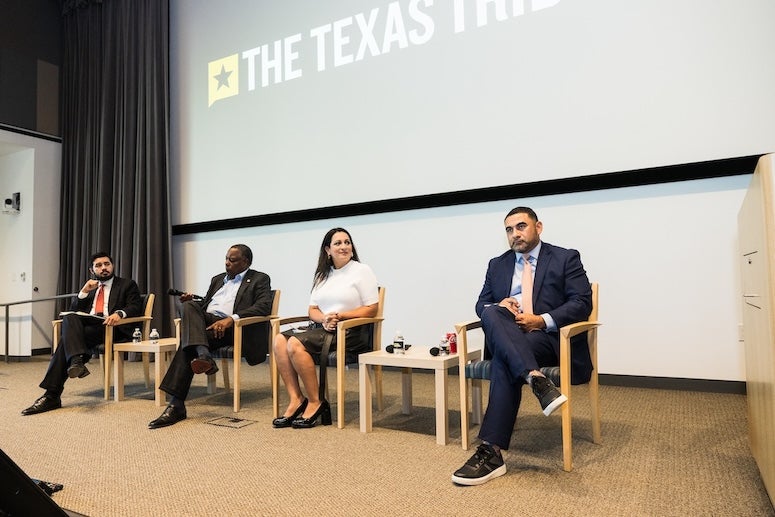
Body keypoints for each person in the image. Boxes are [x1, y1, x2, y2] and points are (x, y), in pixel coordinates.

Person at [451, 207, 593, 486]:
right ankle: (536, 380)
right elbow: (481, 304)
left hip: (548, 338)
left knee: (505, 358)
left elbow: (581, 302)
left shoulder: (565, 258)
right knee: (492, 311)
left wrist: (541, 320)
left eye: (520, 226)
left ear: (538, 227)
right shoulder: (497, 264)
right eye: (508, 229)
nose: (514, 234)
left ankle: (490, 453)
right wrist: (500, 305)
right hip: (511, 333)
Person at [148, 244, 272, 429]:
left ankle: (176, 404)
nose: (227, 263)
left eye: (232, 260)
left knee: (187, 344)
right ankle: (203, 355)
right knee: (188, 306)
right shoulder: (217, 279)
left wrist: (231, 319)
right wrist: (195, 302)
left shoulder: (259, 279)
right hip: (210, 327)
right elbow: (207, 305)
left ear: (245, 262)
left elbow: (263, 306)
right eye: (226, 258)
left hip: (236, 330)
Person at [272, 228, 379, 429]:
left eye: (347, 242)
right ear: (327, 250)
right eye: (338, 243)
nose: (344, 246)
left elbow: (372, 309)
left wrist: (340, 316)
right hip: (324, 328)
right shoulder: (323, 274)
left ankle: (316, 401)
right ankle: (296, 399)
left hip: (351, 331)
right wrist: (324, 319)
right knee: (279, 340)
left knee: (295, 343)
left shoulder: (361, 270)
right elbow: (312, 309)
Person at [21, 252, 143, 415]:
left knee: (66, 341)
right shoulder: (90, 289)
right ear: (92, 270)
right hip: (90, 327)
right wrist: (83, 292)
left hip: (112, 327)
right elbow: (73, 313)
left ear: (112, 266)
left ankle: (53, 394)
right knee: (70, 317)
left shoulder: (127, 284)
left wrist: (119, 313)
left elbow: (135, 306)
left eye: (106, 264)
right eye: (98, 266)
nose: (104, 268)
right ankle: (75, 363)